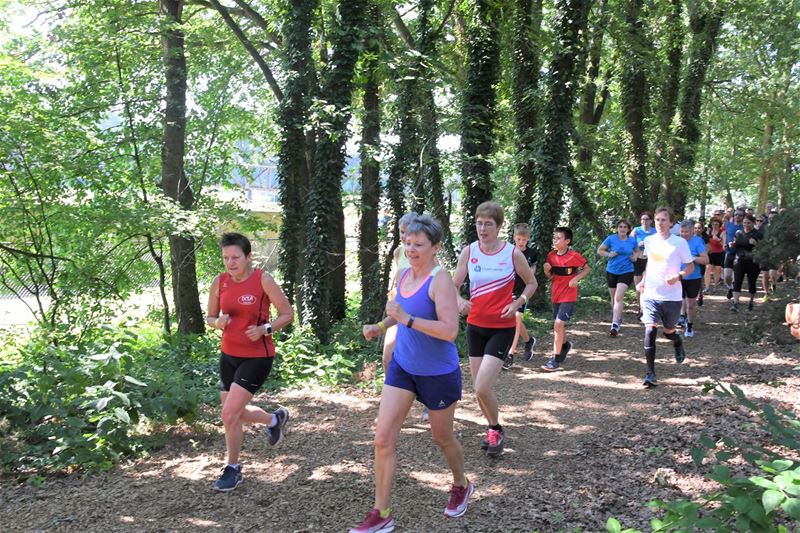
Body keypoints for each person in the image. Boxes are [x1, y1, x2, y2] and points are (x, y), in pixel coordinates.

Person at [352, 215, 471, 533]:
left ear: (435, 247)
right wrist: (379, 327)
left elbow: (449, 330)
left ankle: (461, 483)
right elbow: (396, 312)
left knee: (441, 437)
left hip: (438, 372)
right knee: (382, 439)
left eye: (419, 244)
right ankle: (382, 512)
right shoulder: (403, 275)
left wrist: (407, 320)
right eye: (408, 242)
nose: (412, 248)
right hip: (404, 367)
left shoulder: (440, 279)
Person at [206, 232, 294, 492]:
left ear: (248, 257)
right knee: (232, 416)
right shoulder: (219, 282)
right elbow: (210, 318)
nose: (230, 263)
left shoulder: (262, 280)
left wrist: (265, 329)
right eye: (225, 258)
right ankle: (273, 420)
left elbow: (287, 314)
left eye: (235, 257)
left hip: (257, 357)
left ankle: (233, 468)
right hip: (228, 356)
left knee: (229, 414)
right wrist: (217, 322)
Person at [452, 201, 537, 457]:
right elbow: (453, 285)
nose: (482, 228)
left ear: (499, 227)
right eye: (479, 223)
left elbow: (531, 283)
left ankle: (496, 428)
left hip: (501, 327)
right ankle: (493, 427)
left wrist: (517, 302)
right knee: (478, 388)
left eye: (488, 224)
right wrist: (458, 302)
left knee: (481, 387)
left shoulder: (511, 253)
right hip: (475, 327)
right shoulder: (469, 251)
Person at [637, 207, 694, 387]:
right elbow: (650, 264)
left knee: (669, 331)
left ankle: (677, 340)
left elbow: (690, 267)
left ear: (671, 223)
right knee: (650, 329)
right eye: (657, 220)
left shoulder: (679, 243)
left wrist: (678, 276)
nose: (660, 223)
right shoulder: (649, 241)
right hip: (651, 294)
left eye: (663, 220)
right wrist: (643, 281)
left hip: (672, 296)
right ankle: (650, 374)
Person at [384, 212, 429, 422]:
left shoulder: (424, 253)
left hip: (416, 313)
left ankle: (429, 400)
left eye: (407, 232)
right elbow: (397, 276)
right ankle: (393, 403)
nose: (404, 237)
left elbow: (434, 276)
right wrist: (391, 291)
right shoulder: (398, 252)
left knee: (421, 359)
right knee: (387, 356)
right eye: (401, 232)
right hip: (396, 311)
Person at [541, 227, 590, 371]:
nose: (555, 240)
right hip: (556, 294)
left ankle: (554, 360)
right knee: (559, 325)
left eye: (558, 238)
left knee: (558, 324)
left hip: (569, 294)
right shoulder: (551, 255)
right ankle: (565, 345)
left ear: (567, 241)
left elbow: (587, 268)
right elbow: (550, 276)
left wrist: (576, 278)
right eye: (554, 237)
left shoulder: (574, 256)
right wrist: (545, 270)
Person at [504, 223, 538, 370]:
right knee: (512, 319)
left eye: (524, 239)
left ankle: (510, 354)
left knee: (517, 317)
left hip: (522, 291)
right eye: (518, 239)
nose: (521, 242)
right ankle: (528, 341)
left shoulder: (532, 254)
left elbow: (531, 274)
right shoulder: (507, 252)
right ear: (514, 238)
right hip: (507, 290)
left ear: (528, 239)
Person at [597, 219, 638, 336]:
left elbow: (637, 251)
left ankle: (614, 324)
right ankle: (618, 318)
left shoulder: (632, 240)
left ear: (628, 229)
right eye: (620, 227)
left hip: (627, 271)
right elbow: (600, 250)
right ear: (617, 228)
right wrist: (609, 254)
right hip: (611, 271)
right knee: (613, 297)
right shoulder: (611, 238)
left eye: (625, 227)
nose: (623, 229)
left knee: (618, 297)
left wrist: (635, 257)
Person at [680, 221, 709, 337]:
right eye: (682, 231)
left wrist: (693, 258)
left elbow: (706, 260)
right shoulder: (676, 242)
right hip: (678, 276)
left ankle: (690, 326)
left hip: (693, 277)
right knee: (676, 302)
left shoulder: (697, 242)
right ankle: (679, 320)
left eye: (686, 232)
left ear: (692, 231)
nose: (684, 234)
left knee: (691, 304)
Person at [730, 214, 763, 312]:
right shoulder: (738, 233)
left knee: (751, 283)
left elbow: (763, 249)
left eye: (748, 223)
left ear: (753, 223)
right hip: (740, 260)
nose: (746, 225)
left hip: (753, 262)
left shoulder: (758, 234)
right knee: (737, 281)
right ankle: (735, 303)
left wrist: (756, 244)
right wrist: (732, 245)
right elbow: (736, 245)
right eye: (744, 223)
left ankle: (751, 302)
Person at [631, 212, 656, 319]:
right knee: (638, 286)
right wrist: (638, 244)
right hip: (638, 259)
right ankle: (640, 309)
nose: (644, 221)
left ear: (651, 221)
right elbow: (629, 242)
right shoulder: (636, 230)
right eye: (642, 219)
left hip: (651, 260)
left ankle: (648, 308)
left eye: (646, 219)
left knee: (648, 286)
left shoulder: (655, 231)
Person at [723, 210, 744, 299]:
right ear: (733, 216)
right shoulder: (729, 225)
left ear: (743, 216)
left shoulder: (744, 226)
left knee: (737, 274)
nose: (738, 216)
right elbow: (725, 235)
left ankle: (736, 295)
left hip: (740, 253)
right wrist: (724, 244)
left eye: (740, 215)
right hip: (729, 252)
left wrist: (737, 243)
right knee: (727, 276)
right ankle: (730, 288)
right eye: (736, 214)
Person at [704, 217, 725, 292]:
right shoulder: (708, 231)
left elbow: (724, 244)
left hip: (719, 253)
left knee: (717, 270)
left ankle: (716, 286)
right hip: (710, 253)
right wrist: (706, 249)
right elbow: (705, 241)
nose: (715, 226)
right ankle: (707, 287)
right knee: (708, 268)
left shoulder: (722, 232)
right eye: (713, 224)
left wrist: (719, 240)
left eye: (716, 224)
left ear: (719, 225)